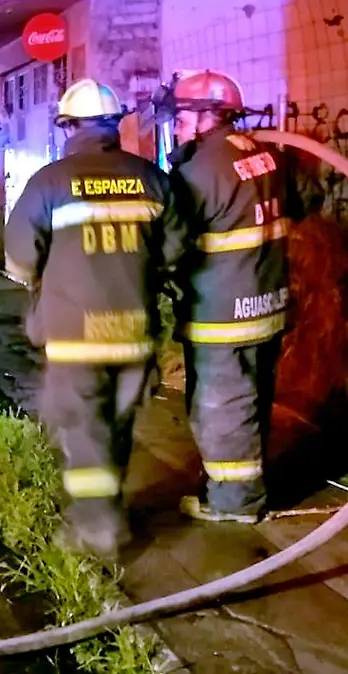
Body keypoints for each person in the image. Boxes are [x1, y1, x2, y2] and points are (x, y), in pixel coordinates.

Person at [5, 79, 187, 559]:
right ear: (115, 124)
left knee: (85, 432)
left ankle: (97, 529)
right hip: (134, 333)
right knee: (118, 427)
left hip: (74, 335)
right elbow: (172, 251)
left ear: (68, 125)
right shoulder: (152, 179)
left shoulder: (50, 181)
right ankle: (109, 510)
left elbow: (20, 259)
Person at [165, 70, 311, 523]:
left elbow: (170, 246)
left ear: (209, 116)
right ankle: (243, 483)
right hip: (267, 308)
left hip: (220, 313)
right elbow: (302, 208)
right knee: (251, 399)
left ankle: (235, 502)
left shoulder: (197, 173)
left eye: (182, 116)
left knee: (221, 406)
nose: (175, 126)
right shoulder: (269, 156)